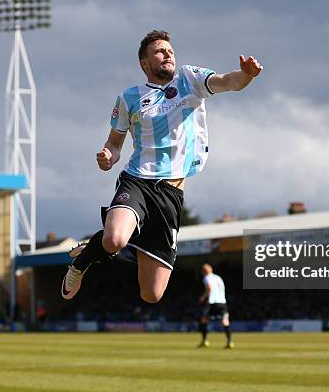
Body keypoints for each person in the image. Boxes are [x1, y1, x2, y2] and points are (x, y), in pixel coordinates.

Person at [61, 30, 263, 303]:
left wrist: (247, 75)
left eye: (170, 50)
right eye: (159, 51)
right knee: (115, 240)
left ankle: (105, 243)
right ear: (145, 63)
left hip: (171, 192)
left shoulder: (190, 79)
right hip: (137, 181)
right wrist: (109, 155)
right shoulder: (129, 97)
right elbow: (114, 143)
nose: (167, 54)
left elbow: (229, 81)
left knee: (152, 294)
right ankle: (84, 261)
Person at [198, 263, 233, 349]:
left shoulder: (206, 278)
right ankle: (229, 342)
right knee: (225, 321)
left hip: (213, 302)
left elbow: (209, 288)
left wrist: (203, 297)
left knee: (203, 320)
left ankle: (205, 341)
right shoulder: (218, 277)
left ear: (203, 271)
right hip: (222, 302)